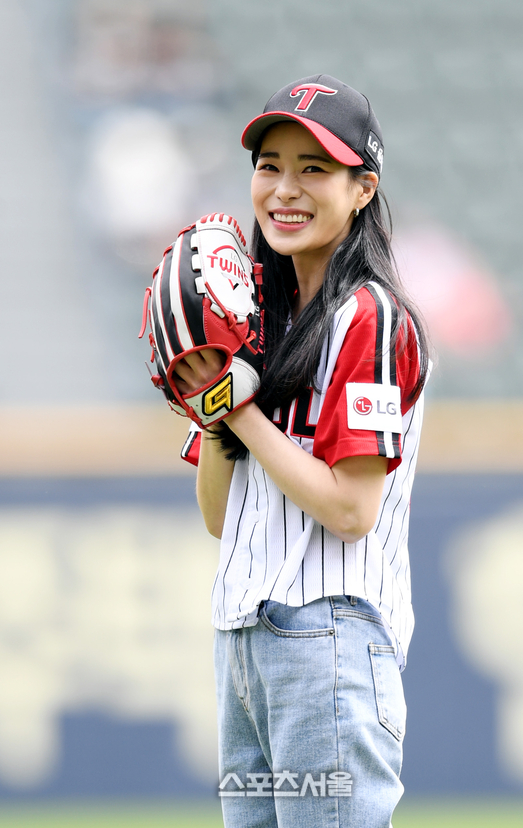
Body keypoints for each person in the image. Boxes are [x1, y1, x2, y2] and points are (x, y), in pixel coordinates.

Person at [174, 74, 430, 828]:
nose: (285, 188)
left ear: (362, 189)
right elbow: (219, 517)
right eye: (269, 165)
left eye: (313, 168)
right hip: (244, 644)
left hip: (330, 638)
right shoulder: (251, 317)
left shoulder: (370, 316)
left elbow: (351, 510)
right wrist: (213, 405)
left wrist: (236, 407)